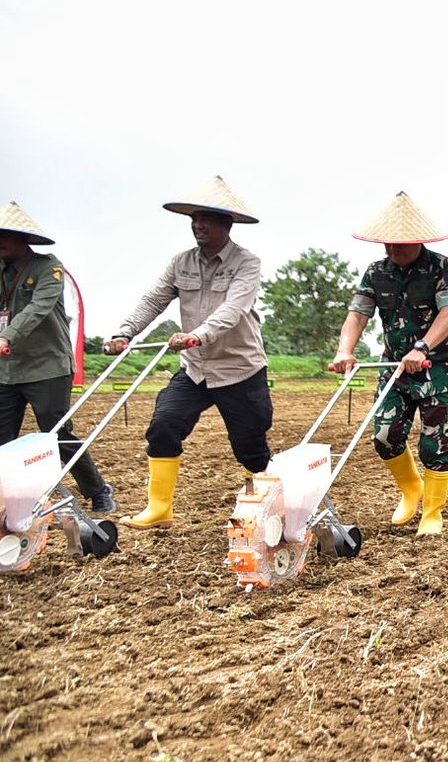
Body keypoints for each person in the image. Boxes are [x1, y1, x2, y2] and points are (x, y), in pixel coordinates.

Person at [107, 177, 272, 530]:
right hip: (195, 369)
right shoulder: (181, 262)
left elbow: (235, 309)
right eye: (195, 219)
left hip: (239, 368)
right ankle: (159, 510)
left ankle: (268, 505)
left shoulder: (247, 263)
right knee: (164, 425)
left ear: (227, 225)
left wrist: (198, 335)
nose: (199, 225)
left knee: (250, 445)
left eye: (207, 219)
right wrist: (125, 332)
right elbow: (154, 299)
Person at [329, 192, 448, 537]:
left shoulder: (443, 268)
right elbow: (358, 314)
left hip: (439, 369)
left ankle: (433, 512)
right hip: (394, 368)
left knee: (434, 444)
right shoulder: (376, 272)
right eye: (388, 244)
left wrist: (422, 348)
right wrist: (344, 350)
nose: (392, 250)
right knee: (384, 436)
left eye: (400, 245)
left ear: (419, 240)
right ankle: (411, 490)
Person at [0, 202, 116, 514]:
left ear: (22, 239)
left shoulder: (48, 268)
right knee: (2, 439)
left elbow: (38, 308)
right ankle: (12, 503)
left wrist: (6, 336)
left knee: (57, 434)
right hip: (7, 369)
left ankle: (98, 490)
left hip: (47, 367)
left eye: (4, 236)